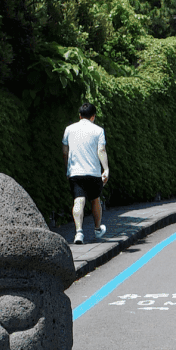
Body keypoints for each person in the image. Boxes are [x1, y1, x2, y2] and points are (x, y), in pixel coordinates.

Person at [62, 102, 110, 245]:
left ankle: (79, 233)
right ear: (93, 117)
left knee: (78, 200)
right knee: (95, 199)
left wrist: (68, 168)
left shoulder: (69, 129)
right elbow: (101, 150)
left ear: (79, 116)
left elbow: (65, 152)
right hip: (93, 172)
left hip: (75, 172)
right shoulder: (98, 130)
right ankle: (97, 229)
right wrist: (105, 169)